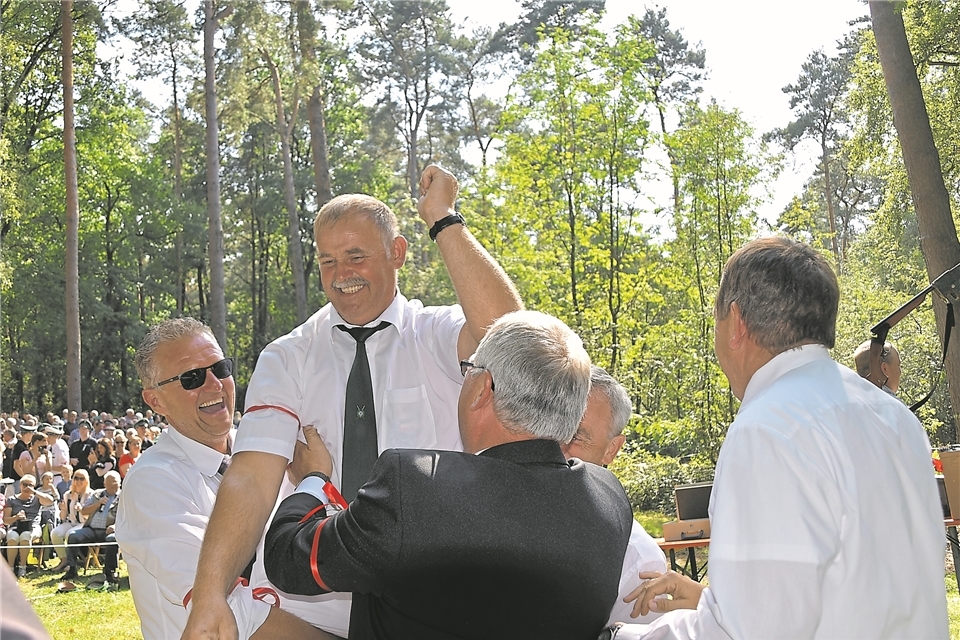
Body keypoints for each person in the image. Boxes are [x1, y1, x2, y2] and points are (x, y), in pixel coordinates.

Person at [184, 164, 523, 639]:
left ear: (397, 253)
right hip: (314, 600)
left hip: (434, 597)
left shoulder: (436, 334)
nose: (341, 275)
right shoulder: (288, 356)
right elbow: (251, 477)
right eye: (327, 261)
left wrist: (442, 218)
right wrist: (209, 593)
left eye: (356, 256)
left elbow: (510, 337)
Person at [615, 238, 947, 639]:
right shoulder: (894, 417)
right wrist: (712, 602)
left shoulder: (766, 430)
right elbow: (858, 585)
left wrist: (621, 636)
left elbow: (753, 631)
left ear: (736, 323)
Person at [265, 310, 632, 639]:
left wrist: (314, 478)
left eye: (468, 369)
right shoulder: (609, 498)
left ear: (482, 388)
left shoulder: (412, 487)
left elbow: (288, 558)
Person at [116, 317, 332, 640]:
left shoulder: (271, 453)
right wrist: (313, 481)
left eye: (220, 368)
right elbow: (230, 613)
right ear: (155, 401)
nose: (214, 385)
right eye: (191, 378)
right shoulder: (152, 483)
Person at [560, 365, 667, 626]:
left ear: (612, 449)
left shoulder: (636, 563)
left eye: (575, 436)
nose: (555, 447)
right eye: (550, 428)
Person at [60, 470, 122, 584]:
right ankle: (72, 569)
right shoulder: (97, 494)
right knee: (73, 536)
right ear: (104, 483)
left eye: (114, 482)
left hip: (109, 530)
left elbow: (127, 517)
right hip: (91, 529)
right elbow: (84, 511)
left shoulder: (123, 497)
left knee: (112, 539)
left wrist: (115, 526)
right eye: (109, 483)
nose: (112, 485)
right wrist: (98, 504)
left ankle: (110, 571)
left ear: (120, 483)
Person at [2, 474, 54, 578]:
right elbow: (6, 520)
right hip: (15, 527)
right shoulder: (12, 499)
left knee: (25, 536)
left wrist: (34, 492)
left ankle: (22, 567)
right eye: (25, 485)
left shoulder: (37, 499)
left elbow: (50, 500)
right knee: (12, 538)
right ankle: (10, 568)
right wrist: (16, 517)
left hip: (33, 527)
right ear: (20, 485)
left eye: (30, 485)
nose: (27, 487)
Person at [51, 468, 92, 572]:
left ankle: (71, 563)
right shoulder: (67, 494)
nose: (78, 481)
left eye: (82, 479)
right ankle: (64, 559)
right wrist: (63, 509)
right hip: (71, 522)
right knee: (55, 533)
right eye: (76, 478)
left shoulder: (91, 495)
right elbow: (63, 517)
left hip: (84, 523)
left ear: (86, 480)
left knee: (70, 534)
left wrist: (81, 510)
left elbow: (90, 516)